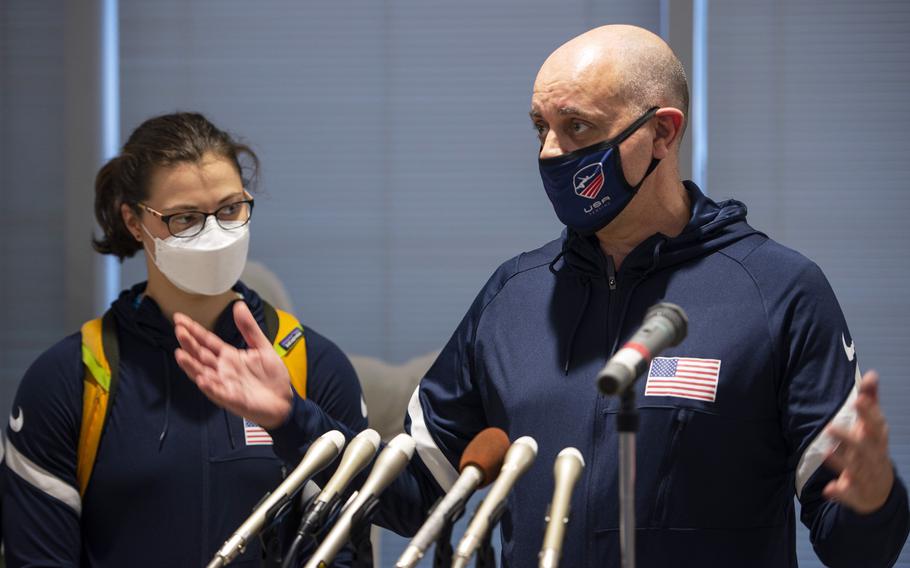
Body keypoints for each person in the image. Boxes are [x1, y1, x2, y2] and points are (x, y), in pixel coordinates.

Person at [172, 26, 910, 567]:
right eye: (541, 127)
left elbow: (858, 547)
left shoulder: (777, 292)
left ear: (662, 133)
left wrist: (874, 493)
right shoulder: (513, 296)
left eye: (577, 127)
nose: (551, 152)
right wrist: (291, 418)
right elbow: (423, 497)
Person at [1, 112, 367, 567]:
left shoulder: (314, 365)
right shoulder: (68, 379)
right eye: (185, 219)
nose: (215, 234)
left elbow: (345, 553)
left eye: (231, 208)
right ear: (135, 222)